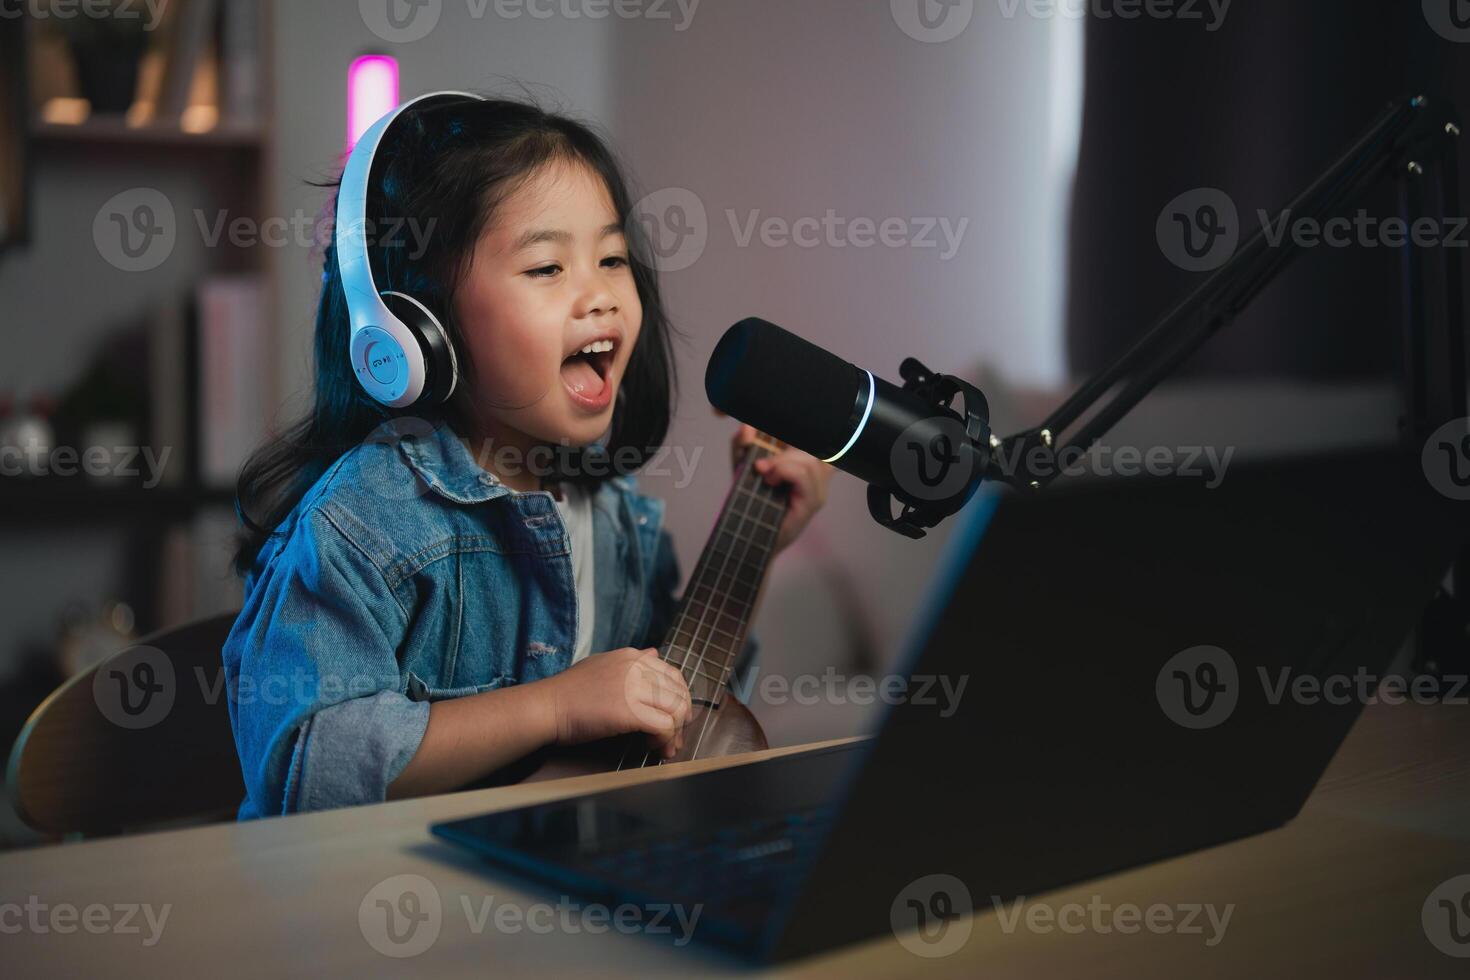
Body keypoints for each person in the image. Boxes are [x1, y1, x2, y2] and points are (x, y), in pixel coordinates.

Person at [222, 94, 831, 819]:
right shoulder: (365, 524)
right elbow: (305, 765)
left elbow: (680, 714)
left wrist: (760, 544)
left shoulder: (613, 515)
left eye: (611, 258)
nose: (600, 295)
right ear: (417, 327)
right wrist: (555, 708)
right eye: (546, 268)